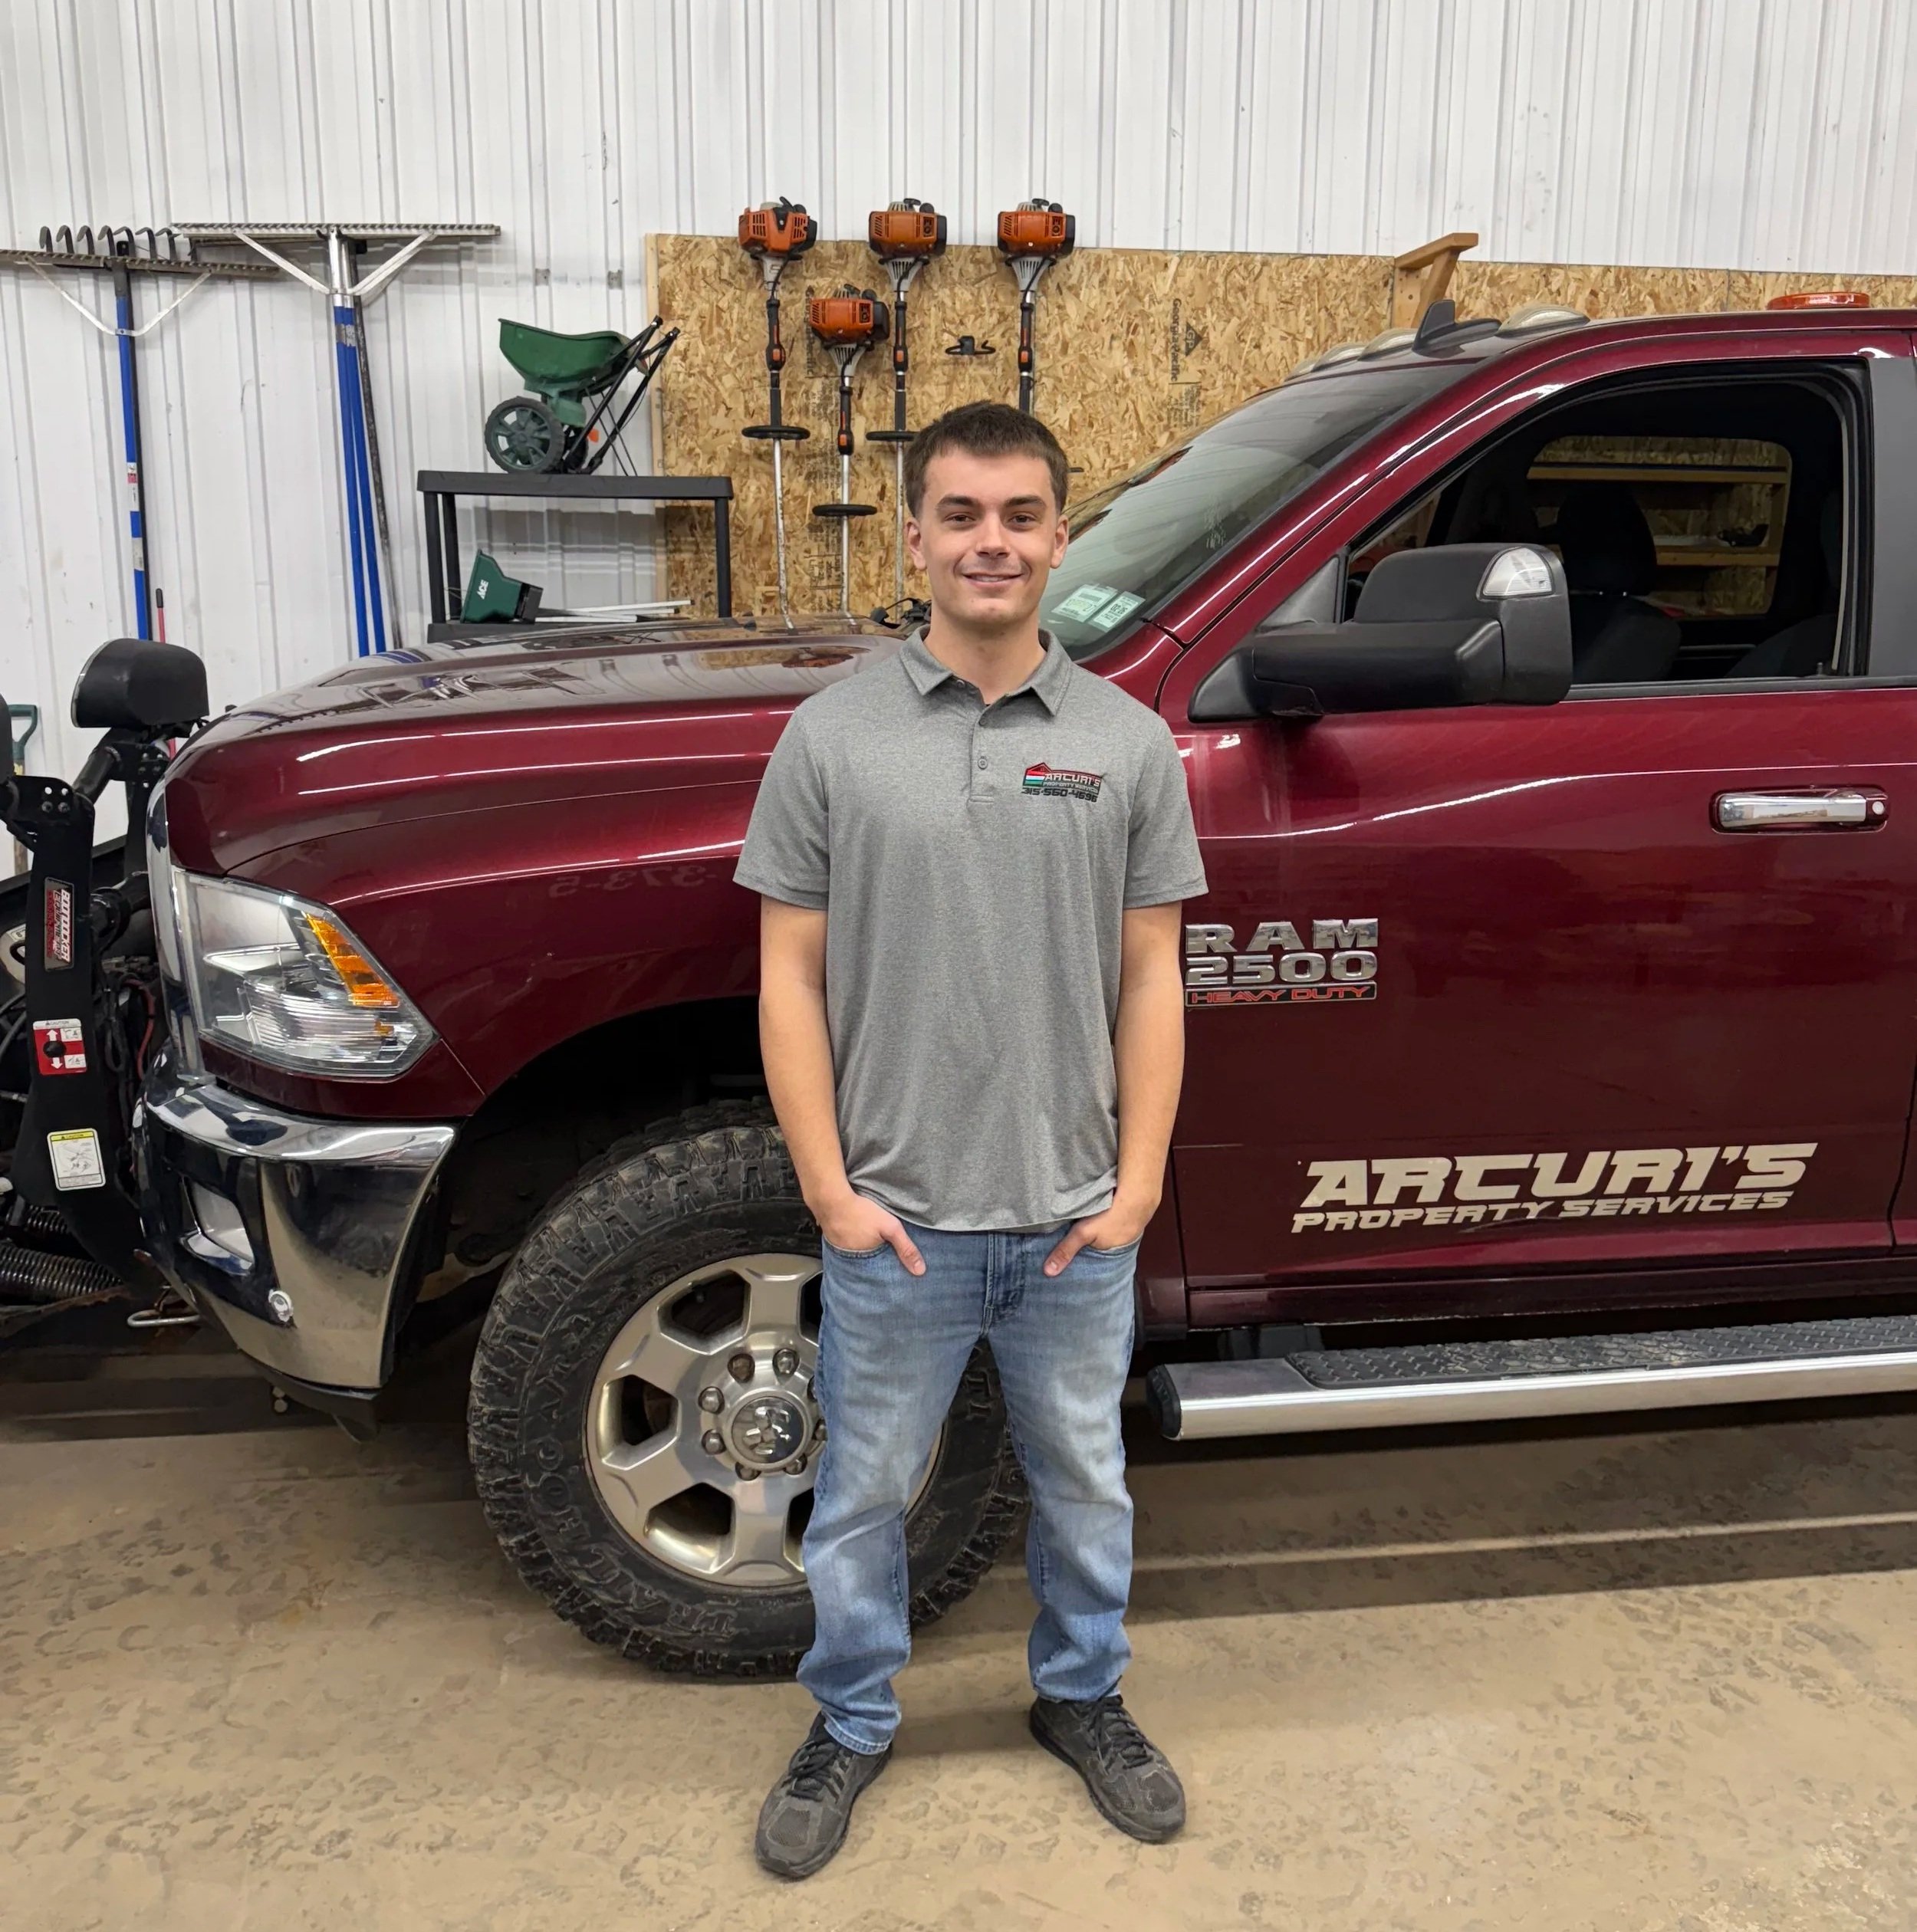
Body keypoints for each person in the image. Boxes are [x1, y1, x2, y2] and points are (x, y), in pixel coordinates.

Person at [733, 399, 1208, 1880]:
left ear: (1060, 537)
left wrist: (1136, 1188)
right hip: (900, 1221)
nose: (989, 541)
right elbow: (787, 975)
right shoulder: (833, 737)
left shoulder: (1126, 744)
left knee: (1085, 1485)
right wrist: (832, 1187)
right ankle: (852, 1720)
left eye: (1018, 516)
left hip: (1073, 1222)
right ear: (919, 535)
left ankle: (1084, 1698)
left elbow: (1152, 975)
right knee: (866, 1491)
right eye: (960, 514)